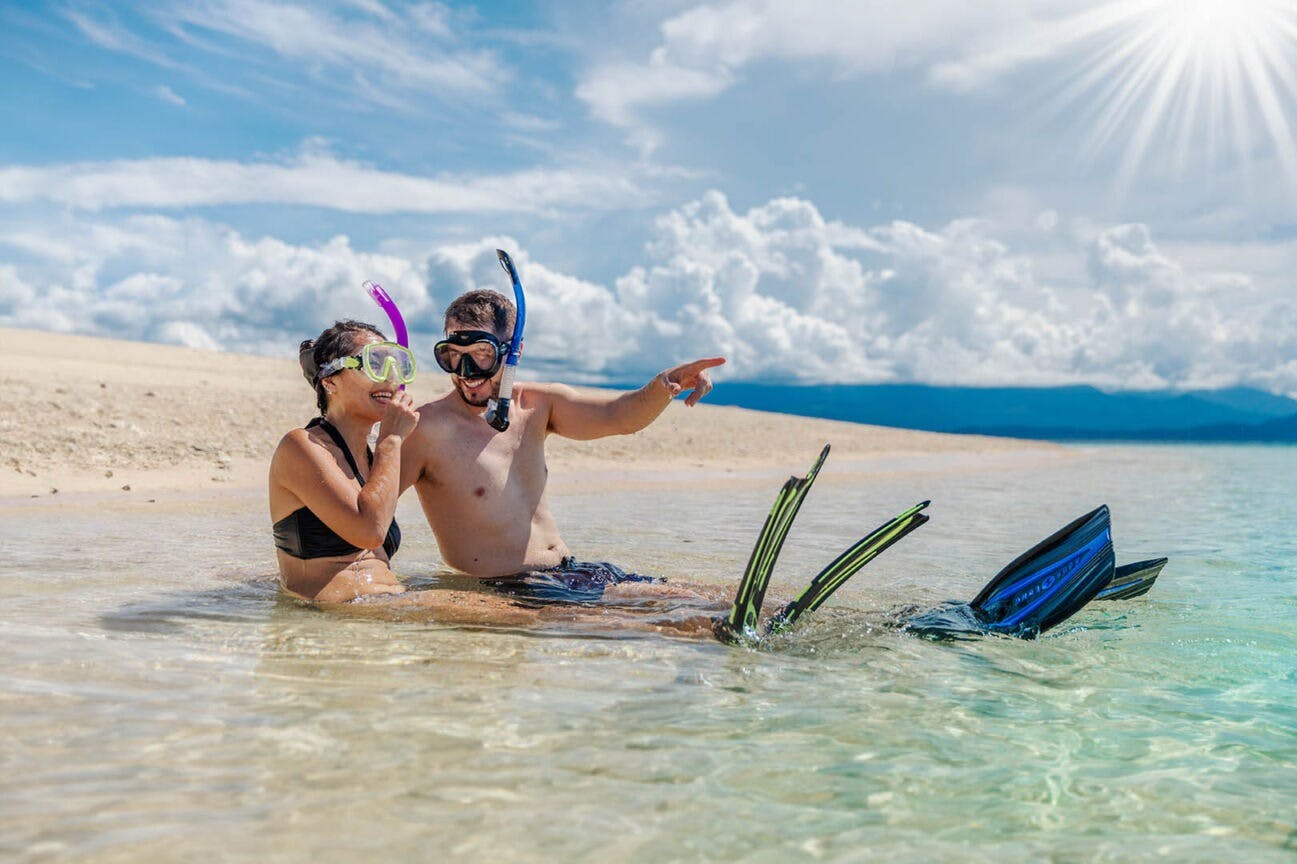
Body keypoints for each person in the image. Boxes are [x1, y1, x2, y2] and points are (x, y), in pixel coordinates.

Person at [400, 289, 725, 604]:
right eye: (453, 356)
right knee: (678, 619)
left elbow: (617, 416)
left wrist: (665, 385)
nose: (466, 372)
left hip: (570, 571)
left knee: (703, 597)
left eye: (482, 355)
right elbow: (370, 512)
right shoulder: (425, 428)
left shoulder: (538, 406)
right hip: (512, 588)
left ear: (514, 351)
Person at [266, 319, 546, 625]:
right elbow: (369, 532)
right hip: (340, 615)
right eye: (375, 363)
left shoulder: (371, 459)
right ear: (330, 380)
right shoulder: (301, 446)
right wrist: (391, 438)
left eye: (396, 365)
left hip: (379, 607)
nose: (390, 377)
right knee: (545, 618)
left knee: (547, 608)